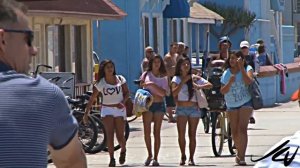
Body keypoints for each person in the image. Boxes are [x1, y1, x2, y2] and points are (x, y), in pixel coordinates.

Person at [0, 0, 86, 167]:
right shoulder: (43, 95)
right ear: (2, 39)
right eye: (28, 39)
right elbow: (72, 162)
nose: (34, 50)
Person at [83, 60, 129, 167]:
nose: (110, 69)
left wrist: (122, 102)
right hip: (107, 109)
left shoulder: (120, 79)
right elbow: (92, 98)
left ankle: (123, 149)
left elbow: (127, 93)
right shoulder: (102, 83)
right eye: (107, 67)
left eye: (111, 67)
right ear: (104, 69)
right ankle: (112, 158)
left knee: (120, 136)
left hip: (119, 109)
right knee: (109, 135)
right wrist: (86, 113)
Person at [171, 57, 213, 166]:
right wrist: (183, 82)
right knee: (181, 134)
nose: (186, 66)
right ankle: (183, 155)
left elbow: (209, 85)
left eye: (188, 64)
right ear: (179, 67)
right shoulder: (176, 79)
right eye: (184, 64)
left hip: (194, 108)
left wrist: (199, 86)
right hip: (181, 108)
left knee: (192, 134)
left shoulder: (193, 78)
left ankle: (191, 158)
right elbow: (174, 93)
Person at [220, 51, 254, 166]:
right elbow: (223, 91)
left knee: (242, 128)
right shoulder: (226, 73)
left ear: (241, 59)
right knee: (234, 131)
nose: (232, 61)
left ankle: (242, 156)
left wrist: (242, 69)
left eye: (235, 58)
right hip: (231, 104)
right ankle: (238, 152)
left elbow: (249, 82)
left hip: (246, 102)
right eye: (231, 59)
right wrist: (229, 82)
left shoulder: (248, 68)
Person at [140, 55, 169, 166]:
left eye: (158, 62)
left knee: (156, 132)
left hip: (159, 104)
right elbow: (141, 86)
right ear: (151, 63)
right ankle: (149, 154)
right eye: (155, 62)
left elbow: (163, 93)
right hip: (147, 105)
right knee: (147, 131)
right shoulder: (146, 74)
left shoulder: (164, 77)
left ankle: (156, 157)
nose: (157, 64)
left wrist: (152, 84)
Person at [240, 40, 257, 124]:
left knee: (252, 95)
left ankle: (250, 115)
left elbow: (255, 66)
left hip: (249, 78)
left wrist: (255, 73)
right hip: (240, 79)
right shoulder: (238, 57)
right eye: (242, 48)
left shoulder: (252, 56)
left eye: (245, 48)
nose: (244, 49)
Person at [164, 42, 178, 123]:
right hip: (169, 78)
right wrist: (168, 81)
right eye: (174, 48)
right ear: (170, 48)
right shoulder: (168, 57)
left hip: (175, 78)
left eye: (176, 48)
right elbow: (166, 70)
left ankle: (176, 114)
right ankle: (170, 117)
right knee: (169, 97)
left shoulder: (175, 56)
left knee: (175, 96)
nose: (175, 49)